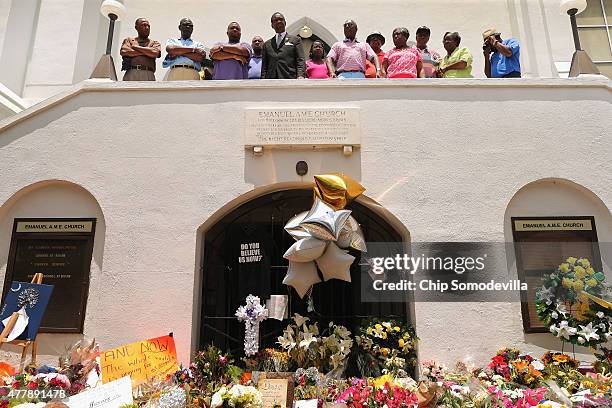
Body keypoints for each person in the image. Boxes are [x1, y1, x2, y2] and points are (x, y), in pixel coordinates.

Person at [261, 12, 305, 79]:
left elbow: (300, 60)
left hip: (289, 79)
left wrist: (300, 75)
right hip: (271, 81)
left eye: (281, 19)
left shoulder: (296, 40)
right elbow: (264, 66)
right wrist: (263, 80)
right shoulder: (267, 44)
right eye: (275, 20)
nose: (278, 21)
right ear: (272, 25)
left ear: (285, 23)